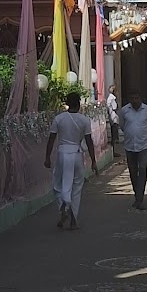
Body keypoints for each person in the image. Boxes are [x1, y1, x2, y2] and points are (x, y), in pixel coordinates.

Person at [45, 89, 97, 231]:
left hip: (62, 153)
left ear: (67, 104)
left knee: (58, 185)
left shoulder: (59, 119)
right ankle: (73, 221)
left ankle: (64, 204)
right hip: (77, 153)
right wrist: (93, 161)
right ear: (79, 104)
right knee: (76, 187)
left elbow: (51, 139)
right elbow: (89, 141)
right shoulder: (84, 120)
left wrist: (47, 157)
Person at [118, 90, 147, 208]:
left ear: (140, 98)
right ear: (129, 99)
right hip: (130, 146)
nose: (134, 100)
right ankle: (137, 194)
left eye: (137, 98)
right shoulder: (124, 111)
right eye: (132, 98)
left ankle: (139, 198)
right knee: (133, 172)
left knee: (142, 169)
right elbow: (122, 125)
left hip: (143, 145)